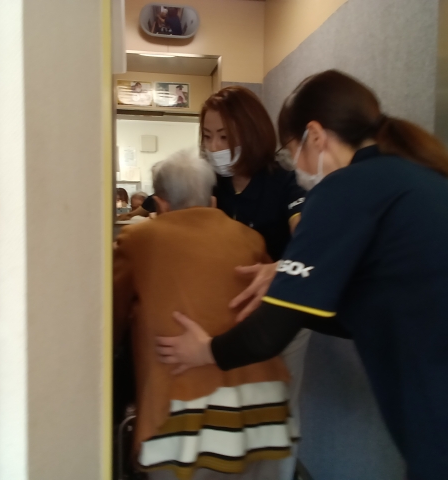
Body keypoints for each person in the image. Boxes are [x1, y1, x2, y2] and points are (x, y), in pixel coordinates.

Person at [155, 70, 448, 480]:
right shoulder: (415, 178)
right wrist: (288, 288)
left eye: (292, 150)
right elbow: (363, 311)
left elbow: (267, 336)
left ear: (315, 136)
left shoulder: (344, 188)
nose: (297, 168)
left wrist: (205, 351)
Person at [118, 88, 308, 479]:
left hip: (276, 313)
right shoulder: (211, 182)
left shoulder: (282, 183)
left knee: (270, 406)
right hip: (219, 319)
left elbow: (307, 238)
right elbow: (161, 203)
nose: (215, 146)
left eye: (224, 136)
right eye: (207, 136)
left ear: (250, 132)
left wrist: (281, 267)